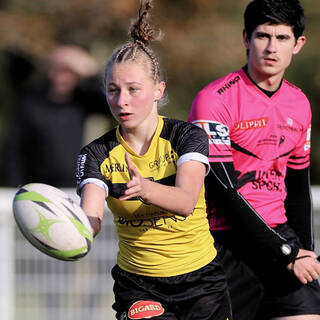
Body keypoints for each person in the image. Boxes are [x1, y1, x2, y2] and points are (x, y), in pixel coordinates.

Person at [76, 1, 232, 319]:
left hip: (202, 282)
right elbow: (89, 220)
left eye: (134, 89)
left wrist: (143, 188)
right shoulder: (95, 154)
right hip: (140, 287)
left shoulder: (186, 137)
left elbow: (186, 201)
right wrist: (63, 228)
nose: (122, 101)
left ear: (158, 89)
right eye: (113, 90)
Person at [188, 0, 320, 319]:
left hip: (279, 240)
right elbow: (222, 190)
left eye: (282, 38)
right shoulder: (214, 100)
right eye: (263, 36)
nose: (272, 47)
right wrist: (286, 252)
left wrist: (304, 251)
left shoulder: (299, 103)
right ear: (246, 38)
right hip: (226, 243)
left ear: (298, 44)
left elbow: (298, 186)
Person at [3, 44, 108, 188]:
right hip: (37, 188)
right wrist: (15, 187)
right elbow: (14, 151)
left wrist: (90, 69)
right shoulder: (31, 103)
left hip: (75, 187)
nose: (60, 77)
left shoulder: (84, 101)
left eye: (67, 71)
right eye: (57, 69)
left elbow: (109, 101)